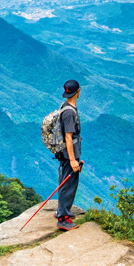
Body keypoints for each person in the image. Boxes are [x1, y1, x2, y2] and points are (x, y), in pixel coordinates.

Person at [55, 79, 84, 230]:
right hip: (69, 154)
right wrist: (73, 160)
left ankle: (62, 210)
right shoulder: (69, 113)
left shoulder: (65, 106)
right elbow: (68, 137)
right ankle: (63, 218)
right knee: (69, 183)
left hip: (68, 152)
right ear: (78, 91)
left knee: (65, 182)